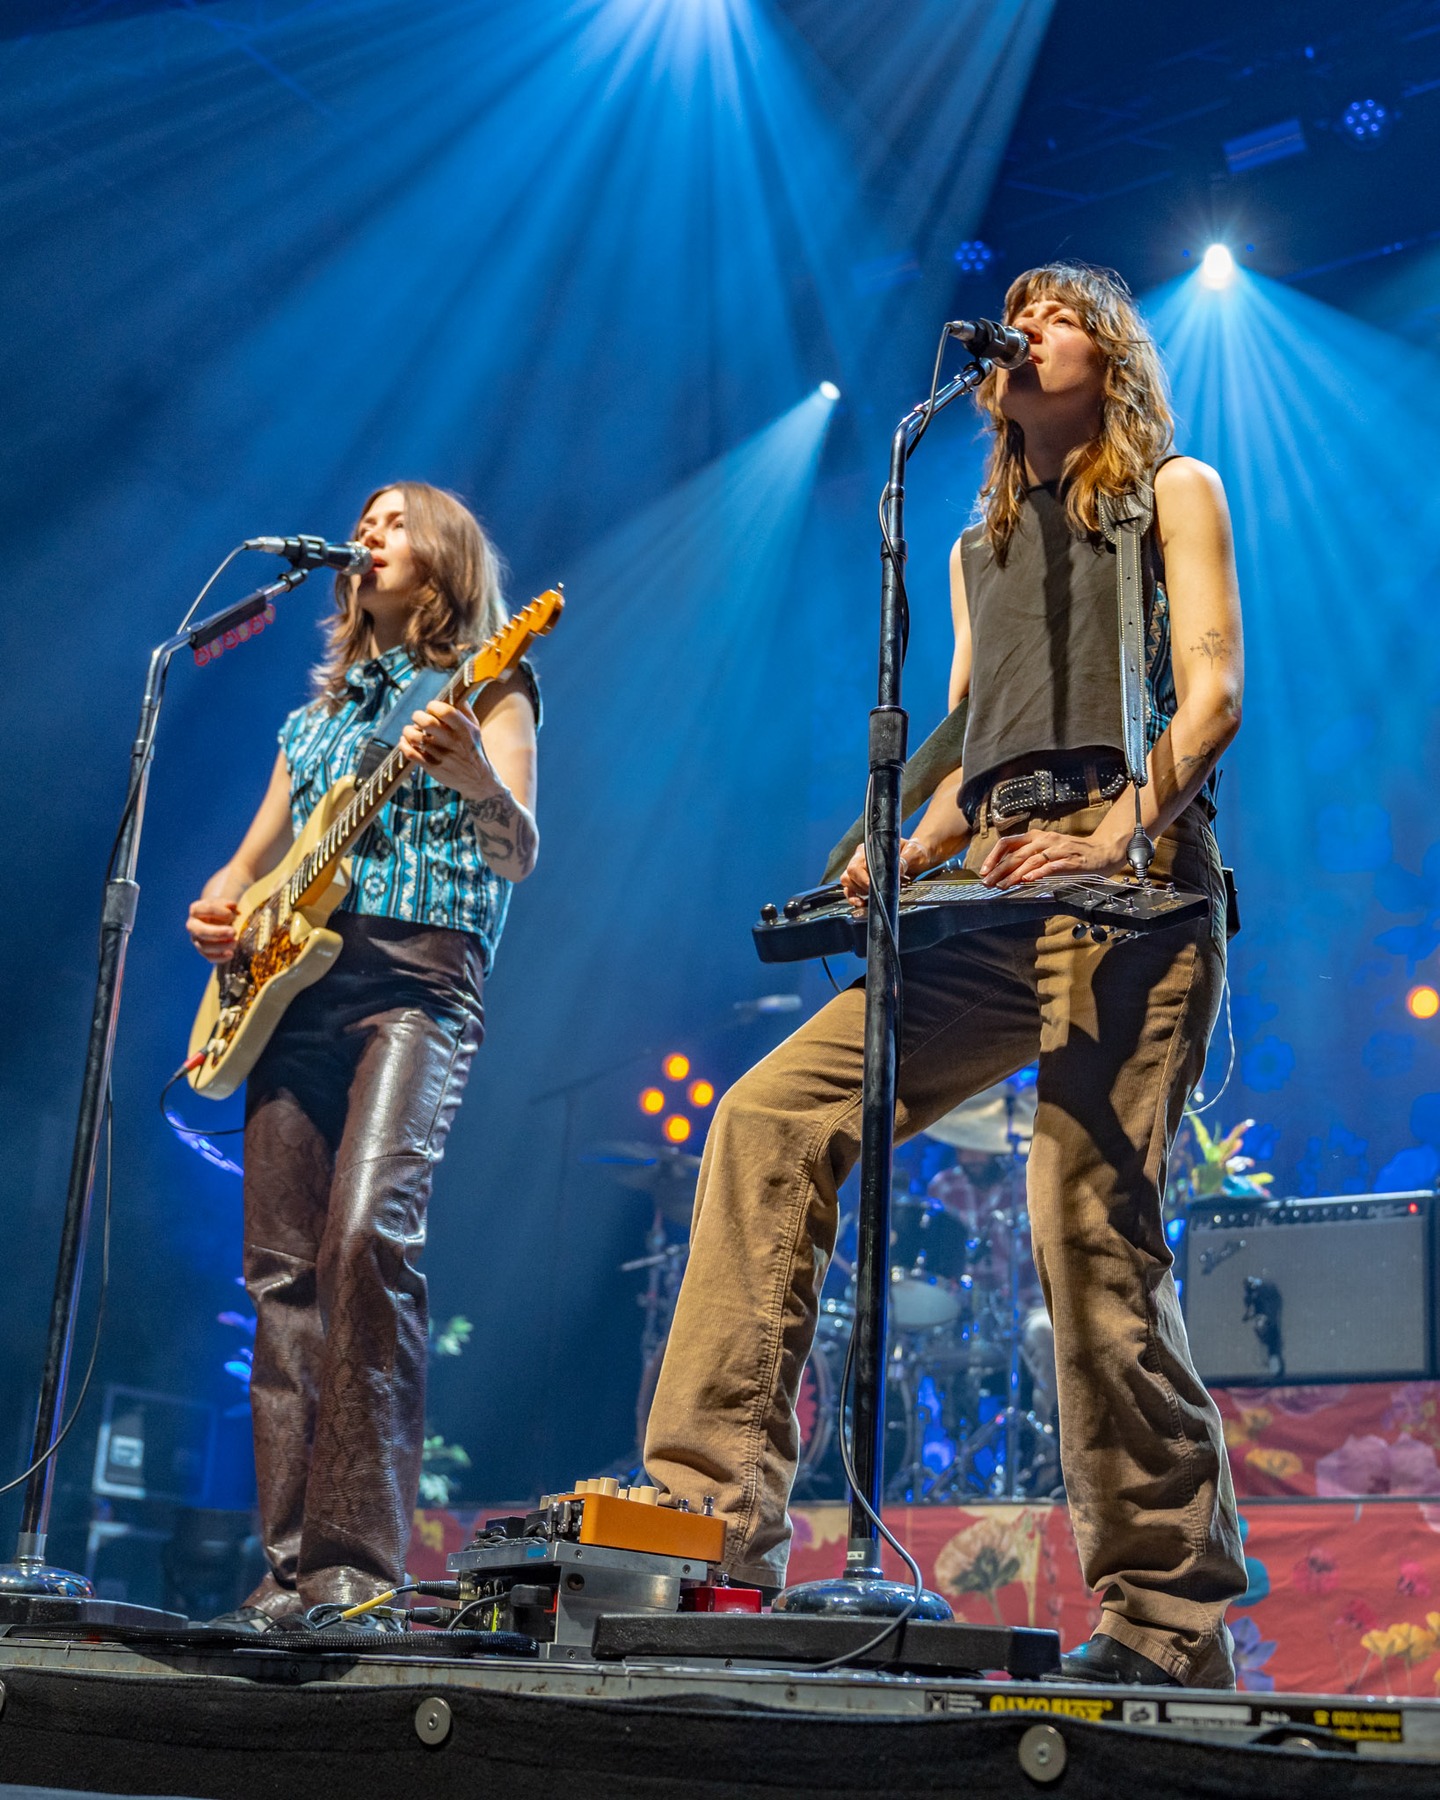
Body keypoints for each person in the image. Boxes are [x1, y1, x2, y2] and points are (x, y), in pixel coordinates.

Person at [644, 263, 1247, 1688]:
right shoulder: (972, 542)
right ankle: (711, 1529)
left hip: (1140, 893)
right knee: (770, 1117)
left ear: (1106, 355)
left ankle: (1170, 1626)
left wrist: (1109, 834)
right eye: (1011, 313)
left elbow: (1215, 692)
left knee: (1087, 1236)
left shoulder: (1176, 489)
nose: (1018, 330)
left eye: (1050, 314)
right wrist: (890, 845)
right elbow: (973, 738)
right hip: (994, 895)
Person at [186, 481, 540, 1631]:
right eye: (367, 522)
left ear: (439, 558)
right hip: (292, 994)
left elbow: (519, 851)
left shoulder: (492, 679)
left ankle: (356, 1567)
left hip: (419, 981)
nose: (371, 533)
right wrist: (223, 904)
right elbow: (250, 864)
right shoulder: (316, 724)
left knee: (362, 1242)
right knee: (279, 1274)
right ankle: (286, 1569)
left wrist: (473, 777)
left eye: (395, 522)